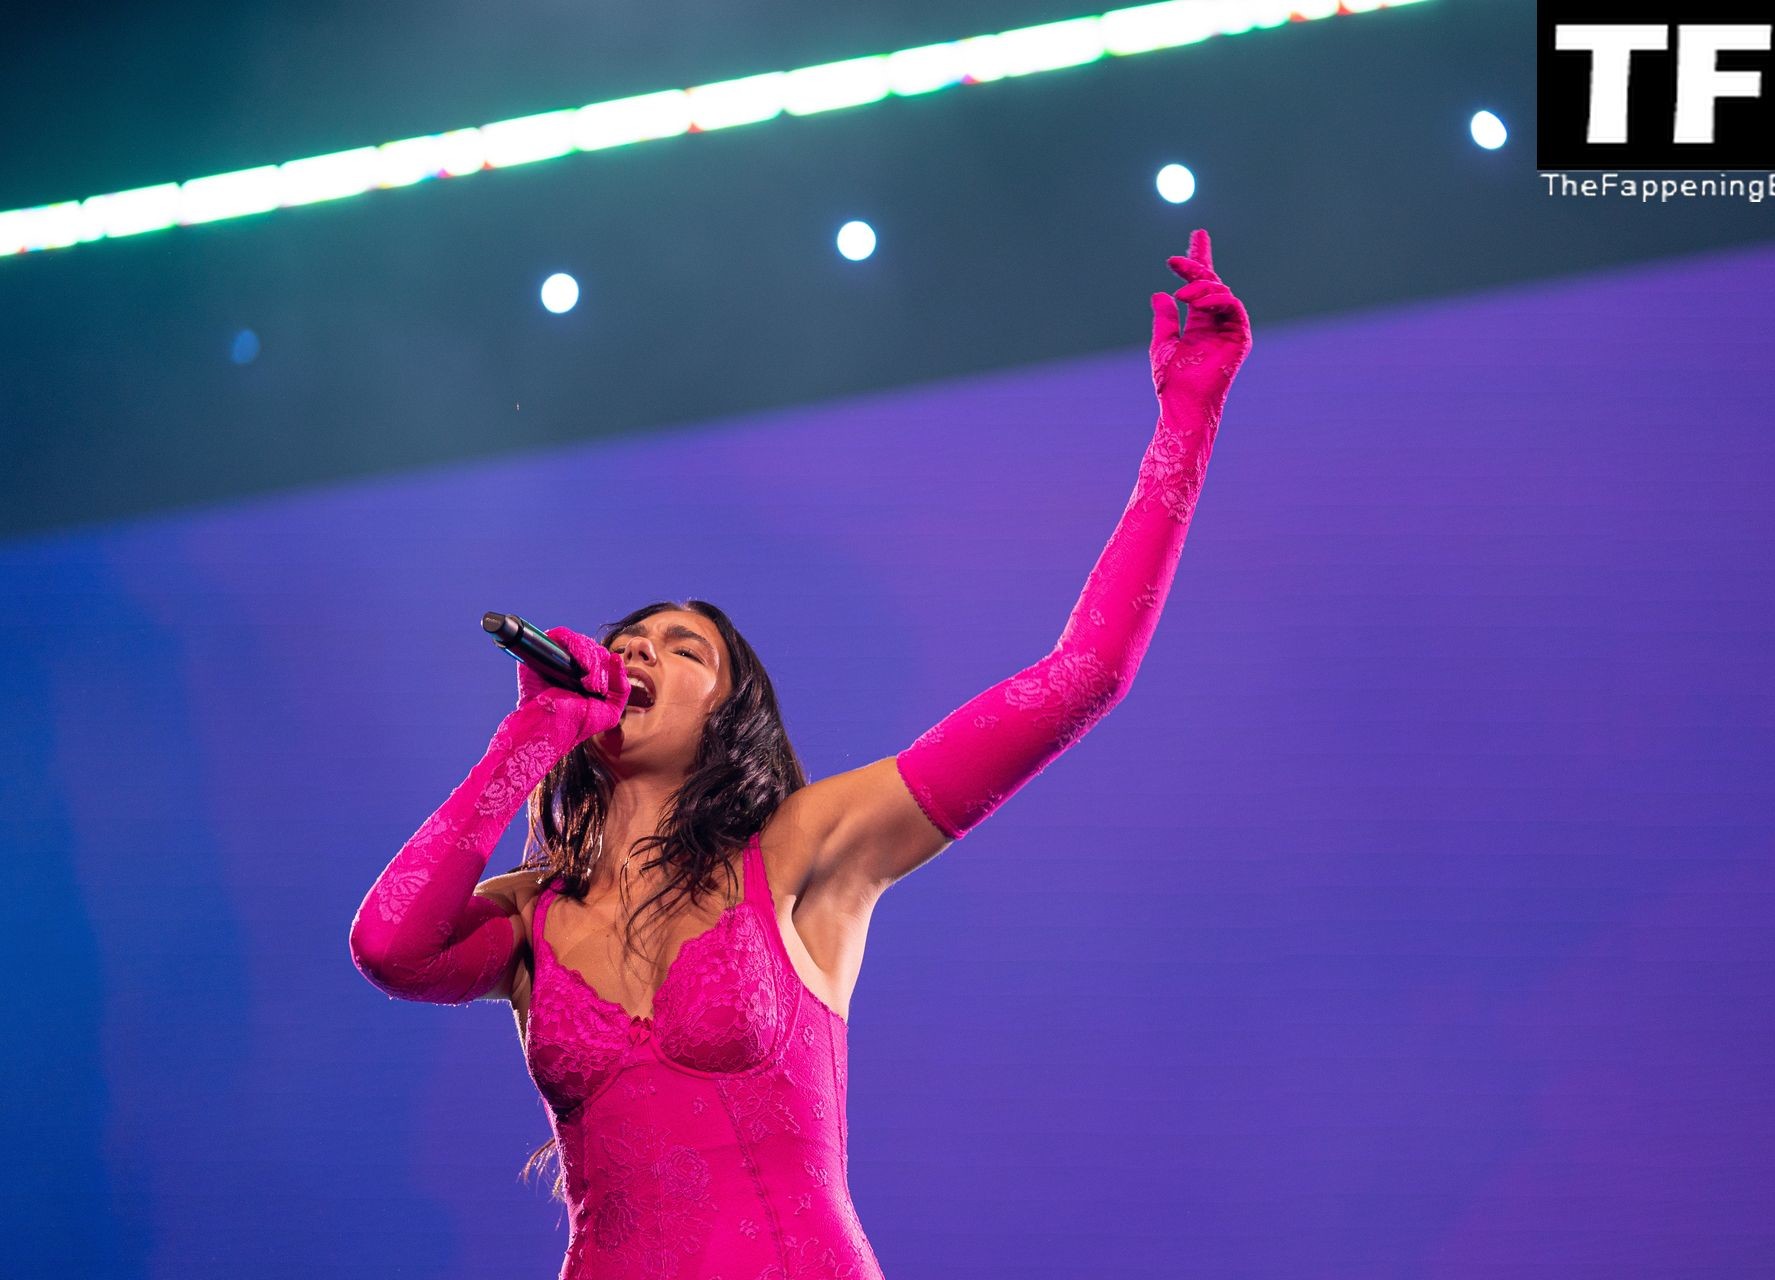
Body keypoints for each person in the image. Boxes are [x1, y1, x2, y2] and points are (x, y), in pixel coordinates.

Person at [347, 229, 1251, 1279]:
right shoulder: (528, 916)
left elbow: (1083, 673)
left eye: (684, 649)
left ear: (732, 715)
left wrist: (1188, 415)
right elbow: (388, 946)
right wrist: (528, 736)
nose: (637, 652)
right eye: (627, 641)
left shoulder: (801, 848)